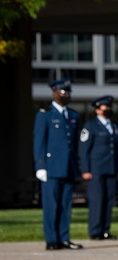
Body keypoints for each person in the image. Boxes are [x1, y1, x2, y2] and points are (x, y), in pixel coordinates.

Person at [33, 79, 83, 250]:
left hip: (68, 167)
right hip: (51, 168)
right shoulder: (44, 114)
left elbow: (75, 145)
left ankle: (64, 237)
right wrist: (40, 165)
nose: (66, 95)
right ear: (54, 93)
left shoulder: (73, 115)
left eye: (68, 92)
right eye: (63, 92)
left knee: (65, 205)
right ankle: (52, 239)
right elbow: (39, 141)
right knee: (51, 205)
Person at [80, 95, 118, 241]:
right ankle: (95, 230)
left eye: (109, 107)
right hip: (95, 169)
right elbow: (84, 150)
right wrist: (85, 169)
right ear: (97, 110)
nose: (107, 109)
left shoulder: (113, 126)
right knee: (97, 201)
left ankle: (105, 230)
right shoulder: (90, 126)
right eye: (105, 107)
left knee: (109, 201)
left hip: (110, 169)